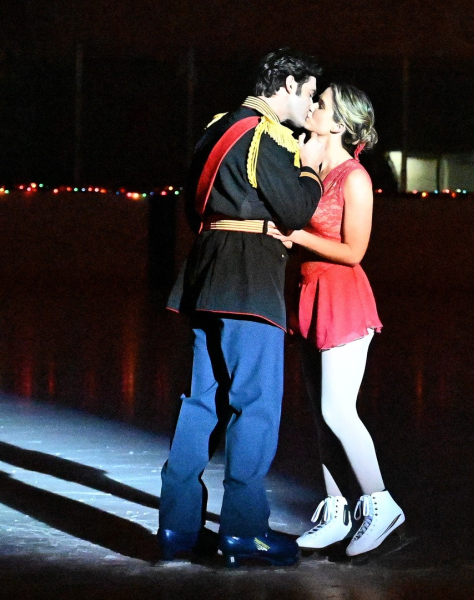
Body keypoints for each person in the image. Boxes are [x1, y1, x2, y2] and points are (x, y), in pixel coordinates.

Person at [158, 48, 325, 567]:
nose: (312, 104)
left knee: (199, 405)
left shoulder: (217, 126)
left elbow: (192, 204)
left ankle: (177, 528)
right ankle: (244, 532)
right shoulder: (265, 134)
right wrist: (311, 168)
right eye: (310, 92)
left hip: (207, 273)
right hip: (248, 280)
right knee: (256, 406)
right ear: (288, 84)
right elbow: (296, 209)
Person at [267, 83, 405, 557]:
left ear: (340, 123)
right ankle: (337, 509)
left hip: (342, 298)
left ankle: (381, 504)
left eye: (321, 104)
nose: (312, 107)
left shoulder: (355, 178)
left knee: (337, 411)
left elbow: (354, 251)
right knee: (320, 416)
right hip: (308, 294)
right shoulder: (311, 166)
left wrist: (297, 236)